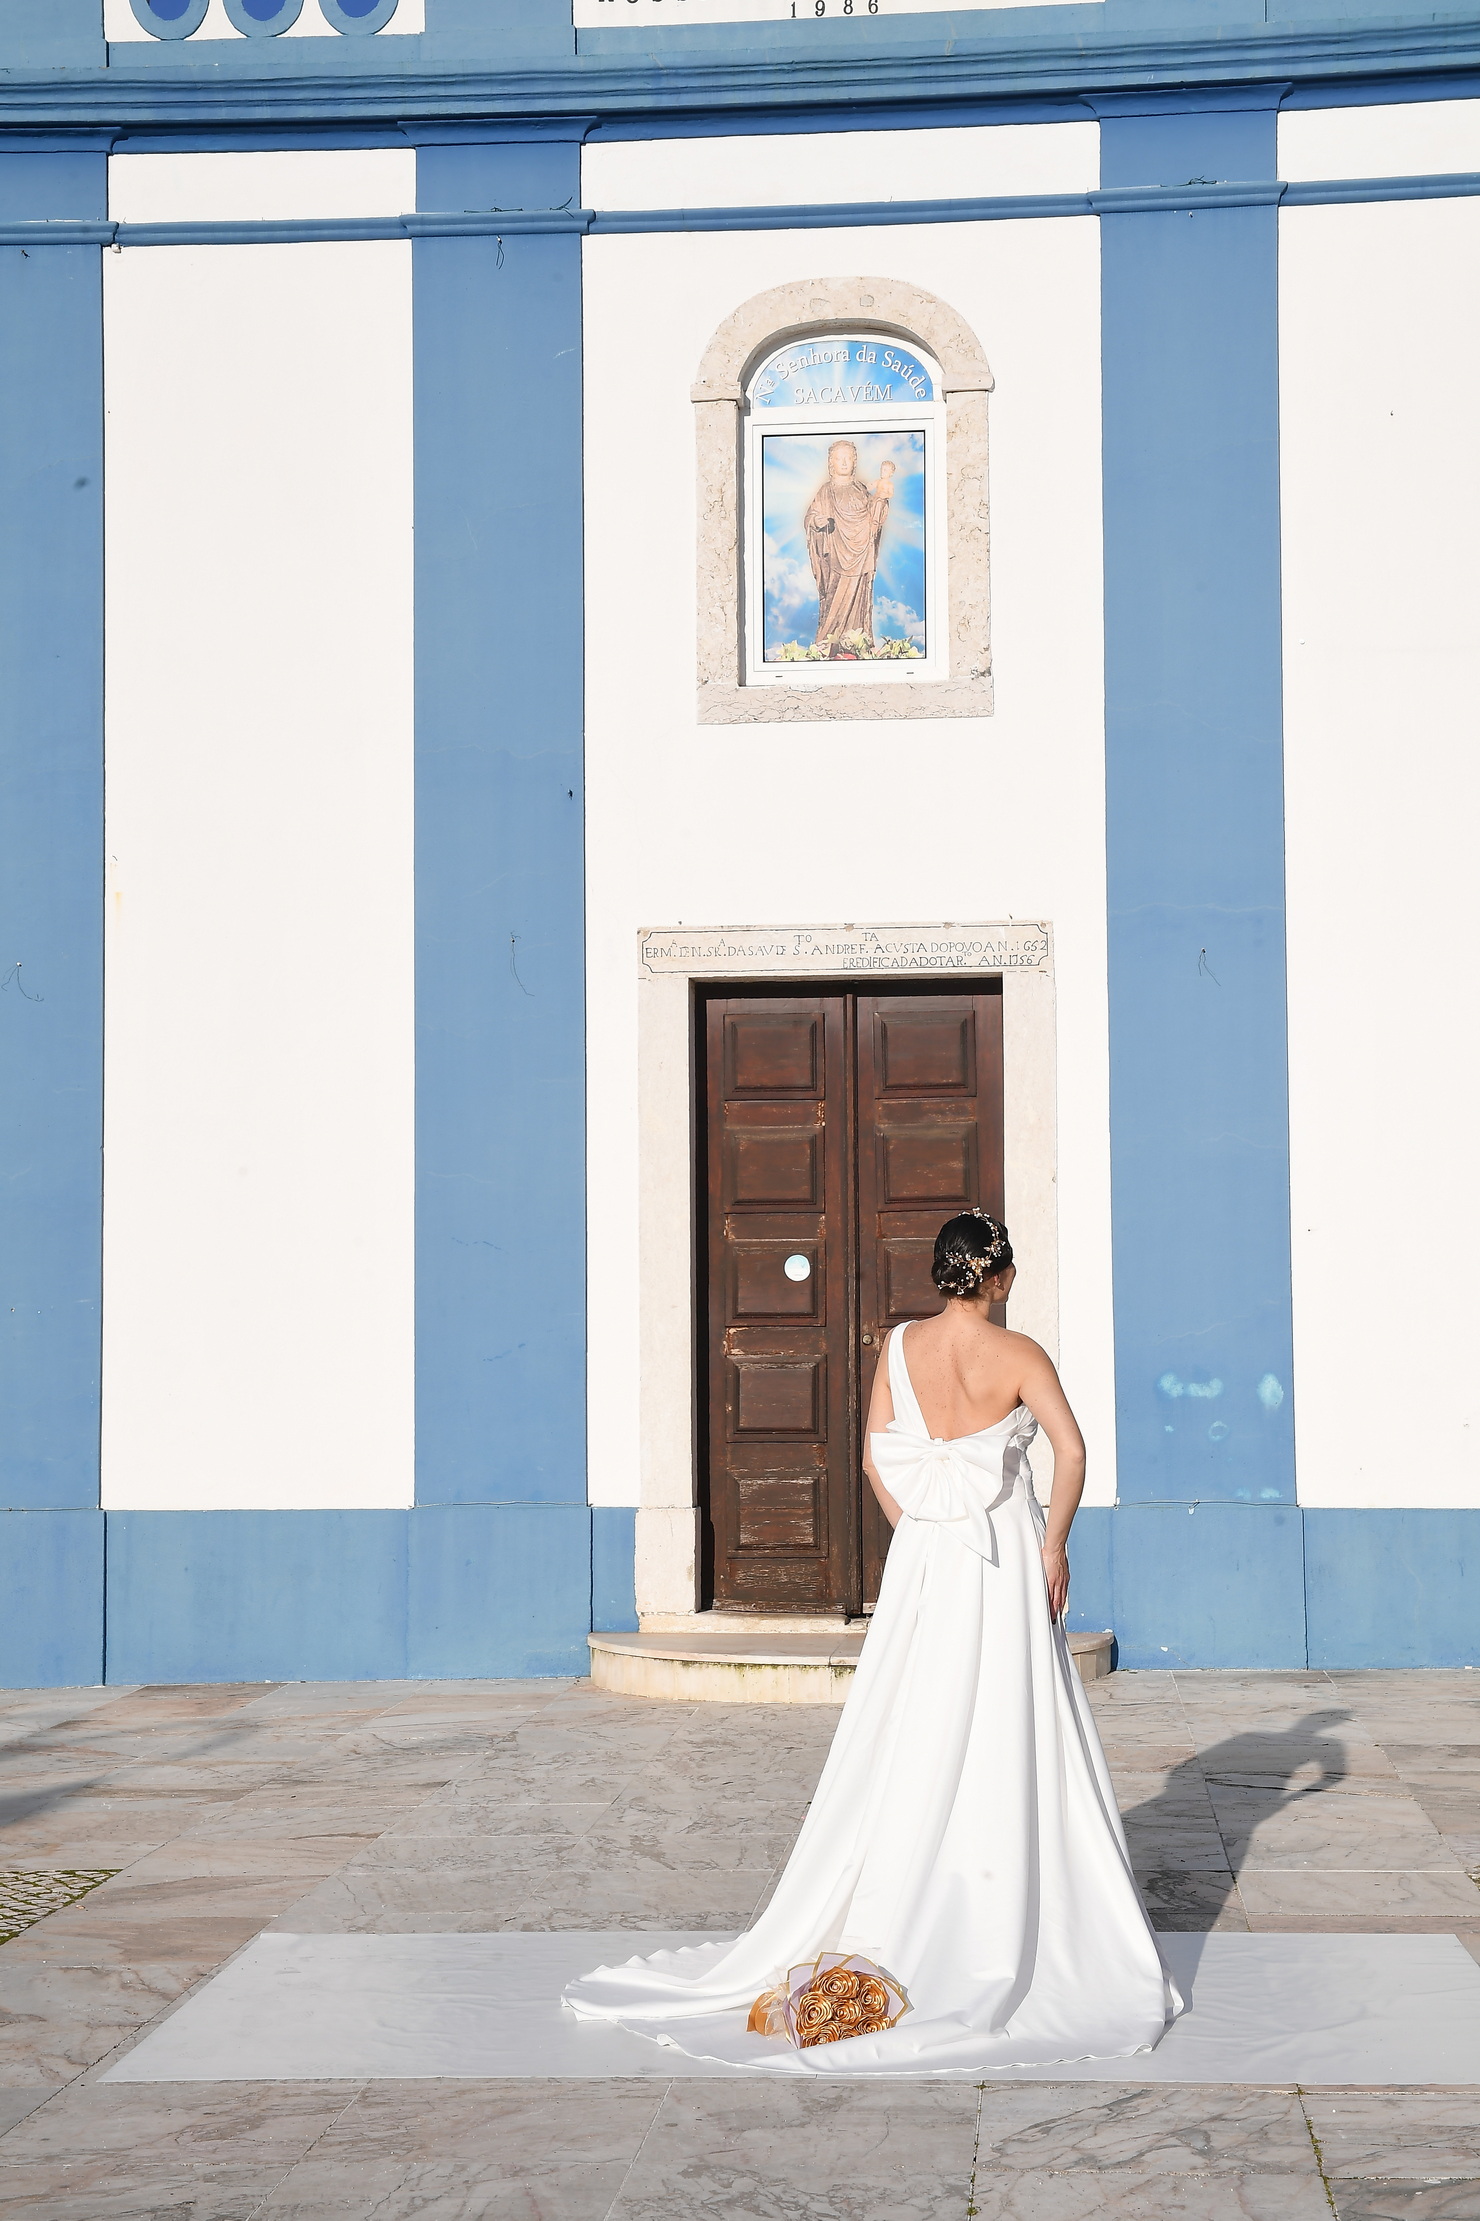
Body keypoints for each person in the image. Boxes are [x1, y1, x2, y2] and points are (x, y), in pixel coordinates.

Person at [564, 1210, 1182, 2075]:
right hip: (1003, 1558)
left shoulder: (899, 1345)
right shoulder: (1019, 1354)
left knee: (917, 1715)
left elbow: (871, 1460)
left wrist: (920, 1526)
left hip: (928, 1557)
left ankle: (908, 1876)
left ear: (943, 1272)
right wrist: (1053, 1546)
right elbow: (1072, 1452)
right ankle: (997, 1881)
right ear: (999, 1275)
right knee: (1006, 1713)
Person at [804, 440, 893, 652]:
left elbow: (872, 515)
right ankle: (828, 642)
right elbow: (811, 517)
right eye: (839, 458)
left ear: (855, 461)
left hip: (861, 553)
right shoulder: (826, 491)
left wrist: (880, 502)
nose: (844, 463)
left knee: (859, 599)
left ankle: (855, 643)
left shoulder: (860, 489)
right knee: (834, 598)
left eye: (848, 458)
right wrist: (818, 521)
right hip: (836, 555)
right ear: (831, 463)